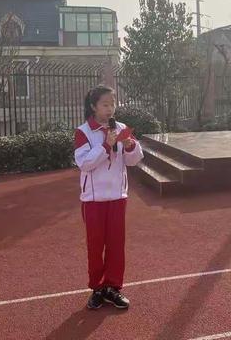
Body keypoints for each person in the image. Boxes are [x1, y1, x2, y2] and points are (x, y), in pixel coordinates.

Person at [74, 85, 144, 310]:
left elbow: (134, 160)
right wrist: (106, 145)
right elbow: (84, 163)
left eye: (112, 104)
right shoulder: (83, 132)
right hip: (93, 200)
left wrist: (130, 146)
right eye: (105, 104)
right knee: (96, 246)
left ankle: (112, 287)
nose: (110, 109)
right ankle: (97, 288)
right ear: (93, 106)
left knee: (116, 244)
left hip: (117, 196)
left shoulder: (121, 128)